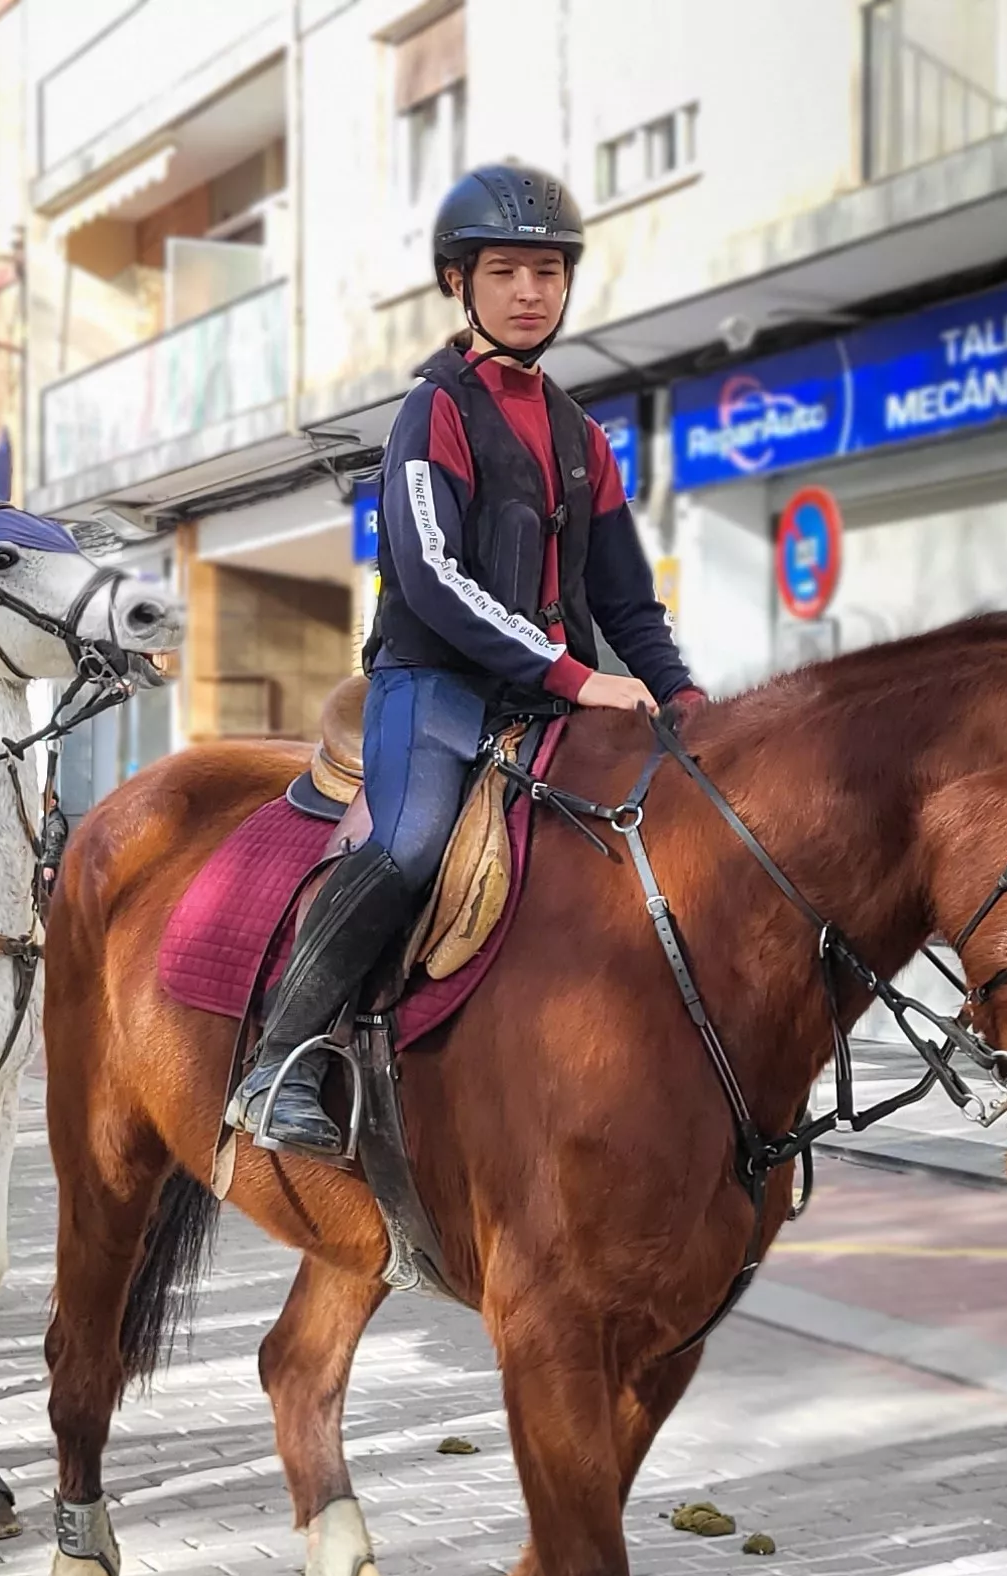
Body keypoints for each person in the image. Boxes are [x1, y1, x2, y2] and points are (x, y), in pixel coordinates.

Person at [224, 162, 708, 1157]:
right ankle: (276, 1062)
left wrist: (680, 693)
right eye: (502, 271)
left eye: (546, 272)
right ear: (460, 283)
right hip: (431, 687)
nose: (528, 292)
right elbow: (430, 576)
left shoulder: (583, 435)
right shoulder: (430, 410)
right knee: (406, 847)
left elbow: (622, 597)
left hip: (546, 700)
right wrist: (574, 676)